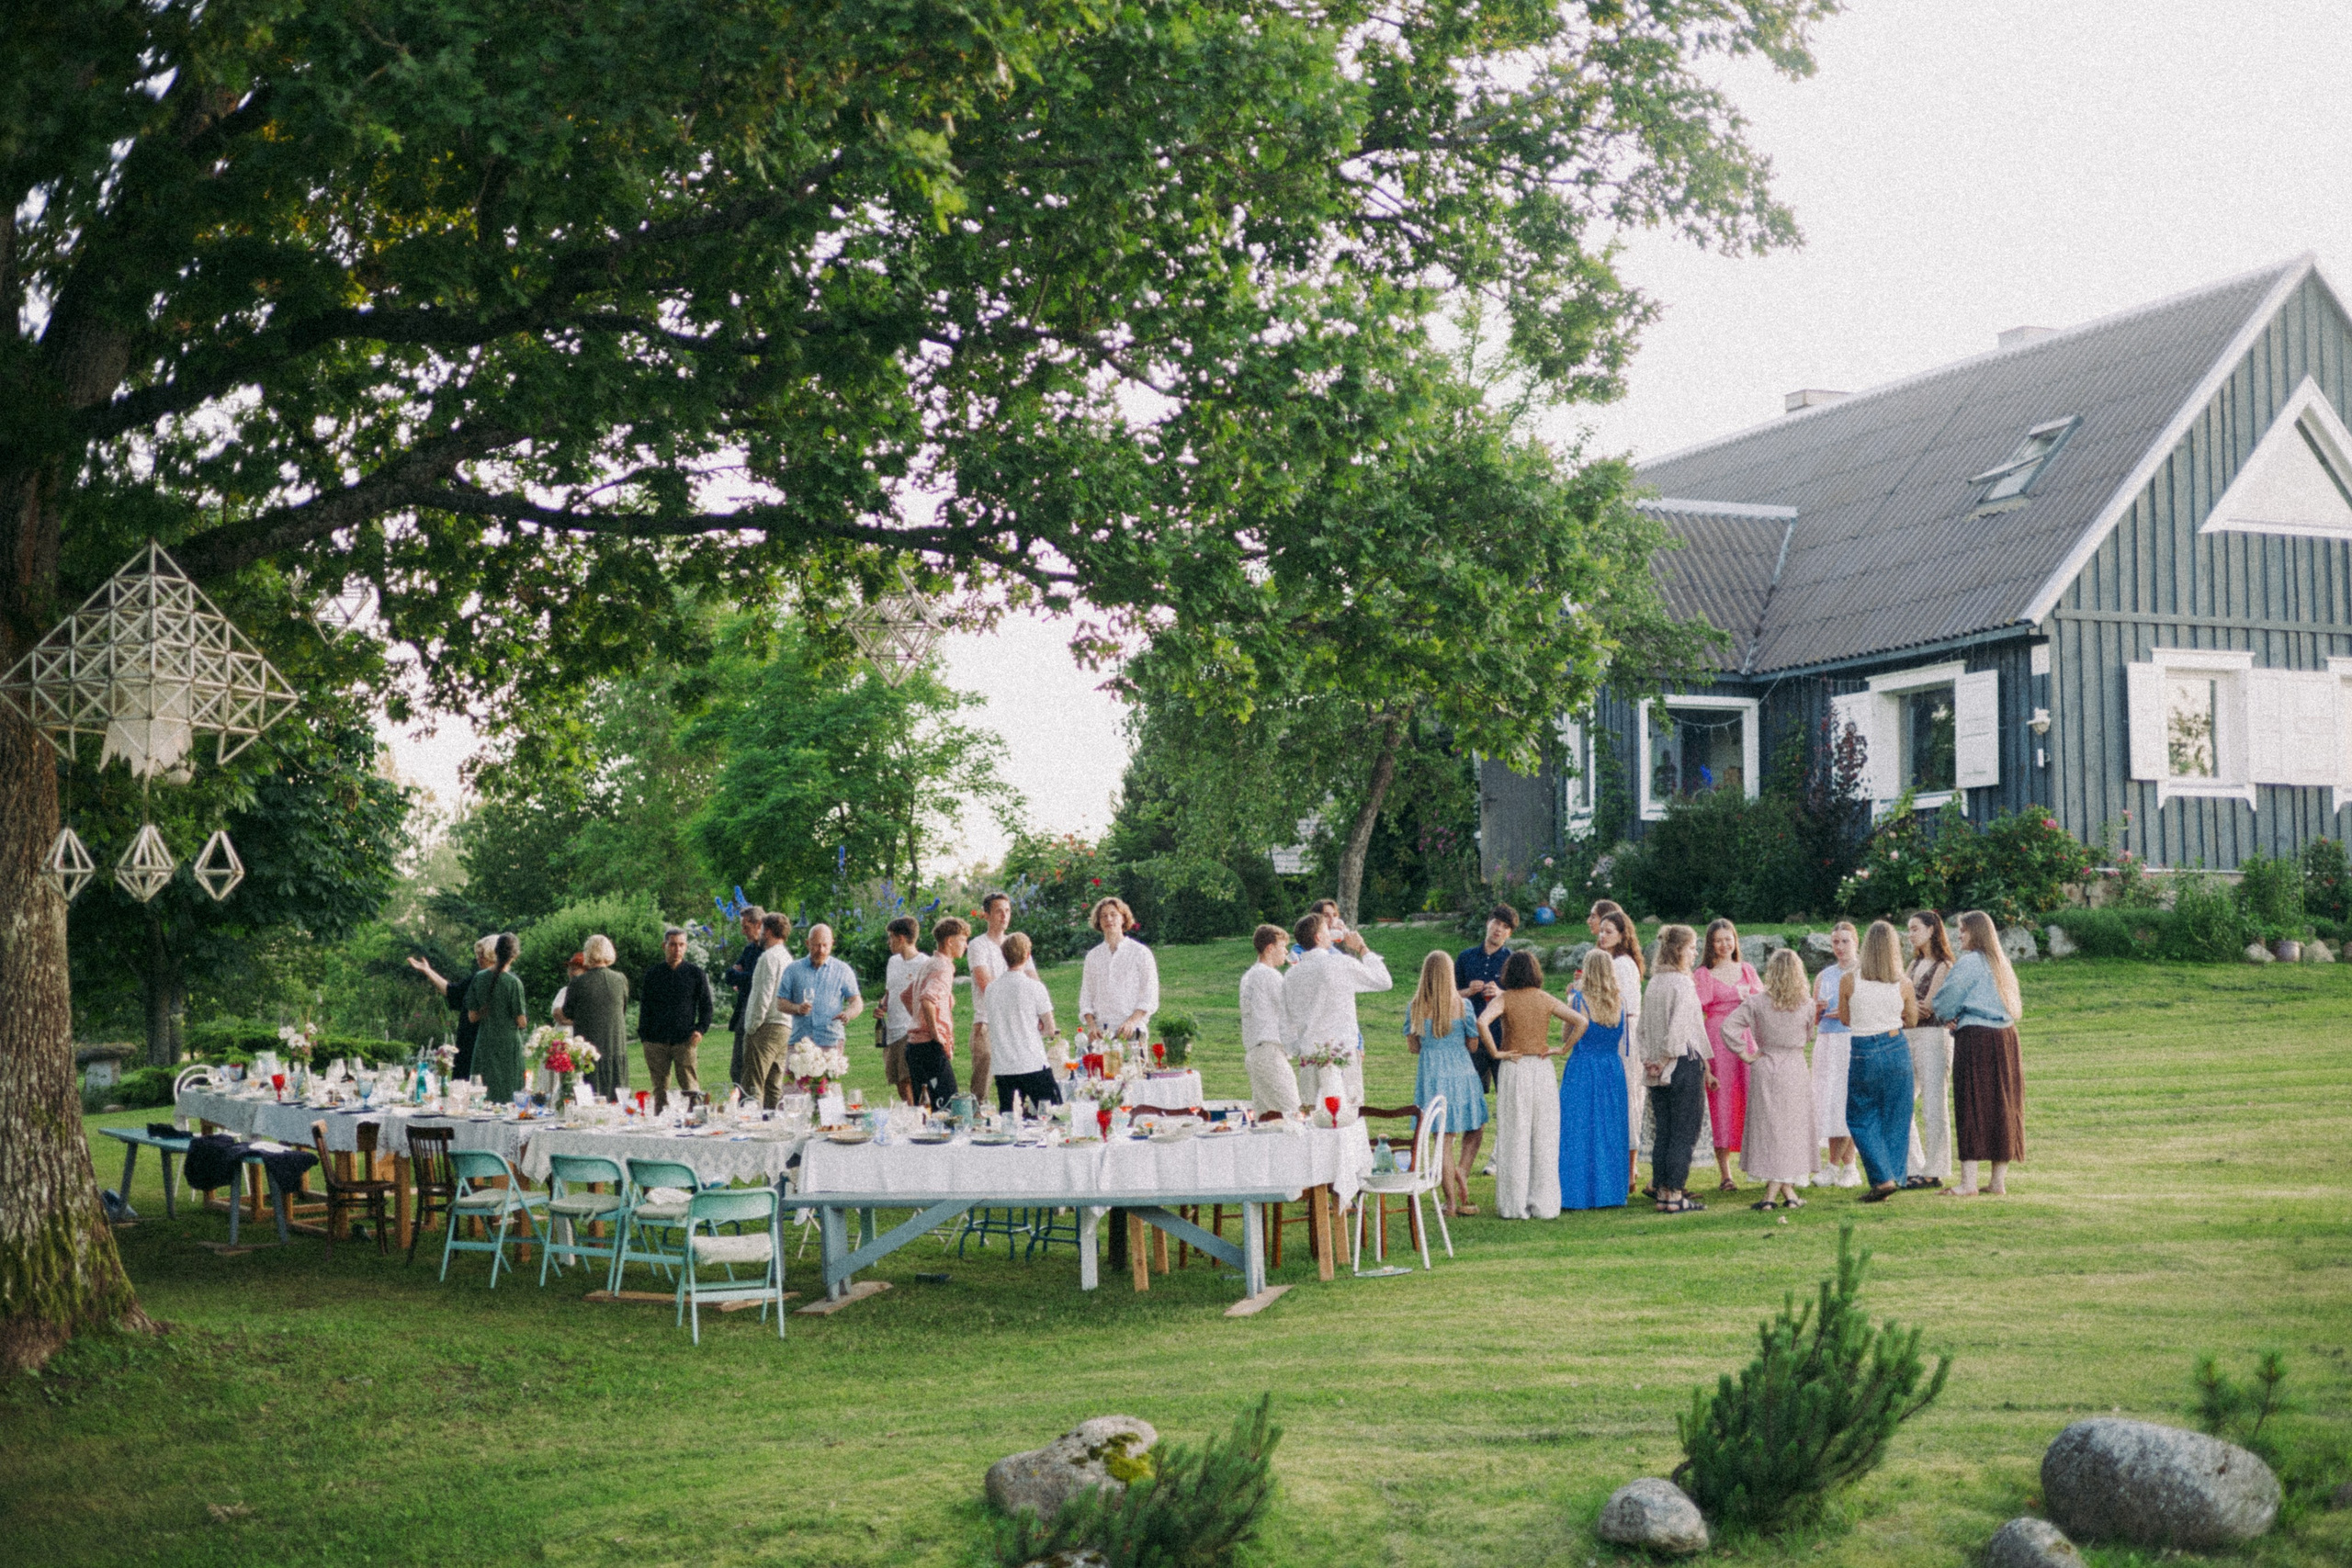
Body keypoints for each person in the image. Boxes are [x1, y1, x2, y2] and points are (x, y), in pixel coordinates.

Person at [1480, 949, 1582, 1220]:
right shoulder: (1545, 998)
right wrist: (1563, 1049)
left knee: (1514, 1135)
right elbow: (1581, 1021)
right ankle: (1545, 1204)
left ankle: (1514, 1205)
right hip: (1542, 1068)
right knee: (1545, 1137)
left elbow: (1482, 1022)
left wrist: (1495, 1052)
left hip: (1514, 1066)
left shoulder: (1505, 999)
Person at [1935, 910, 2026, 1198]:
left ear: (1975, 933)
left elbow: (1947, 999)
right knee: (2005, 1105)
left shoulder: (1970, 963)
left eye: (1963, 930)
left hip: (1976, 1037)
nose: (1959, 936)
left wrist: (1947, 1016)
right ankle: (1998, 1181)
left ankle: (1968, 1183)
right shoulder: (2003, 963)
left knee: (1972, 1102)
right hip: (2007, 1037)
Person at [1720, 948, 1820, 1210]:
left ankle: (1777, 1195)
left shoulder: (1756, 1002)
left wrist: (1745, 1053)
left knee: (1772, 1130)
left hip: (1766, 1065)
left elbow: (1727, 1027)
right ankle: (1783, 1194)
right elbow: (1808, 1036)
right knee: (1790, 1130)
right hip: (1794, 1068)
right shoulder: (1807, 1005)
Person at [1404, 949, 1493, 1215]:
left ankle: (1451, 1202)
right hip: (1462, 1072)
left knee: (1442, 1138)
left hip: (1432, 1073)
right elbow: (1473, 1044)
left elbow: (1413, 1046)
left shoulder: (1416, 1006)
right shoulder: (1463, 1005)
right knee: (1476, 1124)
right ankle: (1460, 1174)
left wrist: (1433, 1047)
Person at [1839, 919, 1920, 1203]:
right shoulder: (1904, 983)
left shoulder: (1850, 980)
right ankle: (1891, 1176)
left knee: (1861, 1116)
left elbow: (1846, 1018)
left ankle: (1882, 1178)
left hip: (1864, 1048)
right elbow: (1912, 1019)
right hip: (1896, 1046)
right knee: (1897, 1116)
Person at [1636, 924, 1713, 1214]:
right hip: (1680, 1063)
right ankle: (1675, 1193)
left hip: (1658, 1067)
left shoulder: (1655, 982)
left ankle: (1663, 1192)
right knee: (1684, 1131)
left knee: (1665, 1131)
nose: (1695, 953)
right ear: (1680, 949)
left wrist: (1650, 1059)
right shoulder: (1682, 984)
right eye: (1693, 947)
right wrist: (1666, 1059)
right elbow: (1679, 1029)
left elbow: (1642, 1029)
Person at [1282, 908, 1391, 1110]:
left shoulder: (1291, 975)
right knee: (1346, 1116)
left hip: (1310, 1058)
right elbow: (1384, 981)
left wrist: (1298, 1049)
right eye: (1326, 929)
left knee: (1313, 1118)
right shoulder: (1339, 963)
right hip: (1342, 1054)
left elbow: (1286, 1022)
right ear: (1318, 936)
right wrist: (1362, 948)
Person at [1557, 948, 1630, 1211]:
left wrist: (1569, 998)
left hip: (1584, 1068)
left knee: (1578, 1128)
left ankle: (1576, 1192)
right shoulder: (1620, 1001)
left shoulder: (1579, 1000)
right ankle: (1610, 1192)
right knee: (1609, 1129)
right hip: (1612, 1068)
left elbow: (1566, 1035)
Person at [1694, 918, 1761, 1193]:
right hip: (1717, 1038)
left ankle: (1758, 1165)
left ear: (1735, 940)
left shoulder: (1747, 970)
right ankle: (1725, 1173)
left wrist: (1750, 999)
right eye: (1718, 940)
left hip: (1746, 1037)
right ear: (1710, 944)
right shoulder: (1704, 974)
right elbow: (1697, 1009)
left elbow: (1763, 1001)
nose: (1724, 944)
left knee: (1751, 1096)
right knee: (1722, 1101)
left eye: (1728, 938)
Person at [976, 931, 1060, 1112]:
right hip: (1033, 1062)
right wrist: (1039, 1027)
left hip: (1004, 1066)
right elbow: (1051, 1029)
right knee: (1053, 1115)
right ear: (1027, 955)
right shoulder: (1035, 987)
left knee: (1010, 1121)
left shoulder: (991, 990)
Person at [777, 923, 865, 1098]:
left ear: (832, 943)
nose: (821, 950)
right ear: (807, 943)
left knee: (828, 1093)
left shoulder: (842, 970)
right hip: (800, 1042)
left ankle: (830, 1124)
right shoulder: (794, 970)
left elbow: (856, 1001)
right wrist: (797, 1008)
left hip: (830, 1040)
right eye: (816, 945)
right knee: (795, 1092)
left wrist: (848, 1014)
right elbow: (780, 1002)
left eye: (825, 945)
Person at [1902, 910, 1957, 1190]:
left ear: (1931, 930)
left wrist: (1908, 1008)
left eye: (1915, 929)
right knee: (1903, 1102)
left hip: (1934, 1037)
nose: (1910, 934)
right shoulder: (1912, 965)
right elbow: (1909, 1004)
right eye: (1909, 930)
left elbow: (1928, 1007)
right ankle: (1913, 1165)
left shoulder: (1944, 965)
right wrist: (1909, 1008)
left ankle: (1935, 1169)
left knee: (1934, 1105)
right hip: (1908, 1036)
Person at [966, 892, 1037, 1106]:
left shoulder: (1017, 943)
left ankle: (1020, 1117)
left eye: (1007, 911)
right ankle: (977, 1119)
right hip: (987, 1021)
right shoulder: (978, 946)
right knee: (982, 1084)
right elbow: (987, 986)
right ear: (986, 915)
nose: (1004, 916)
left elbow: (1034, 982)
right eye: (998, 911)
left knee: (1022, 1075)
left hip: (1019, 1021)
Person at [1594, 909, 1646, 1186]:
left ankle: (1630, 1169)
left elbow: (1621, 1004)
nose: (1602, 936)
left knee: (1628, 1097)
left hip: (1623, 1033)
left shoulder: (1624, 964)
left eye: (1609, 932)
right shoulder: (1607, 961)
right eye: (1601, 931)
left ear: (1623, 935)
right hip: (1610, 1030)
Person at [639, 925, 715, 1113]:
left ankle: (696, 1120)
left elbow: (706, 1005)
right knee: (660, 1089)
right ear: (664, 946)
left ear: (686, 947)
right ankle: (661, 1123)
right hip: (656, 1040)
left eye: (681, 945)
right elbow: (645, 1007)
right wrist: (645, 1037)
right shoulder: (653, 974)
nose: (677, 949)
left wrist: (700, 1029)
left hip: (685, 1039)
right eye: (673, 945)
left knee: (690, 1088)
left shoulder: (695, 974)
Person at [1811, 921, 1864, 1188]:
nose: (1840, 947)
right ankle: (1838, 1166)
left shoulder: (1863, 972)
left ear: (1855, 941)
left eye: (1845, 941)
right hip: (1827, 1041)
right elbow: (1812, 1019)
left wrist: (1847, 1013)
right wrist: (1817, 1010)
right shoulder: (1824, 975)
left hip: (1851, 1040)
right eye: (1835, 942)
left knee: (1847, 1100)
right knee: (1829, 1102)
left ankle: (1847, 1166)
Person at [1453, 903, 1517, 1108]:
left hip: (1503, 1037)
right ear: (1487, 923)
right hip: (1472, 1038)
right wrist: (1467, 992)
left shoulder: (1513, 960)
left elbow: (1525, 998)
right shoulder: (1466, 957)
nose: (1499, 929)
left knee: (1507, 1099)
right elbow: (1449, 996)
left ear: (1509, 933)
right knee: (1472, 1099)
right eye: (1496, 923)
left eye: (1505, 926)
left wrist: (1501, 994)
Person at [901, 917, 967, 1110]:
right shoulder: (944, 968)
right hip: (930, 1046)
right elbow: (927, 1000)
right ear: (949, 941)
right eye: (963, 940)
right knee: (949, 1103)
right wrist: (936, 1034)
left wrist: (918, 1020)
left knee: (924, 1105)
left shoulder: (929, 963)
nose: (966, 945)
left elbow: (906, 996)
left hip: (914, 1047)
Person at [406, 936, 493, 1080]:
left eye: (482, 954)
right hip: (466, 1043)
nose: (478, 958)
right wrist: (428, 971)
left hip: (484, 1045)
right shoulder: (476, 978)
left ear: (493, 955)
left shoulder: (504, 982)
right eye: (477, 954)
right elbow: (452, 992)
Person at [1077, 897, 1159, 1046]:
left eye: (1113, 914)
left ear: (1123, 918)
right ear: (1099, 922)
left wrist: (1131, 1023)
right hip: (1101, 1035)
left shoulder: (1140, 953)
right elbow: (1086, 996)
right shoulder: (1093, 956)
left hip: (1131, 1031)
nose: (1109, 919)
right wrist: (1092, 1026)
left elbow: (1150, 995)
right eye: (1103, 916)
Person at [1239, 924, 1298, 1119]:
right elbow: (1291, 1008)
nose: (1286, 952)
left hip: (1254, 1054)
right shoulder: (1269, 975)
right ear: (1270, 948)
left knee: (1266, 1119)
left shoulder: (1248, 976)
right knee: (1292, 1113)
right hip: (1270, 1053)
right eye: (1283, 947)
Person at [738, 912, 796, 1107]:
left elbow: (763, 994)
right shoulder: (788, 958)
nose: (760, 934)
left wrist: (752, 1026)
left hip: (767, 1025)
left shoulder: (768, 958)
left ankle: (751, 1128)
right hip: (785, 1026)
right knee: (774, 1084)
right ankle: (774, 1125)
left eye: (762, 929)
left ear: (768, 931)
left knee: (752, 1085)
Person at [463, 933, 528, 1103]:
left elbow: (472, 1017)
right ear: (515, 955)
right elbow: (520, 1021)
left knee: (483, 1094)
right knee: (510, 1093)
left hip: (485, 1041)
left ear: (496, 952)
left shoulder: (479, 978)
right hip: (508, 1045)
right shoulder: (514, 983)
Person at [566, 934, 631, 1101]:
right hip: (614, 1042)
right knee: (617, 1092)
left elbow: (568, 1012)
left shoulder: (578, 983)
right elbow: (622, 1007)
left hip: (588, 1045)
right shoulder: (620, 979)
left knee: (589, 1094)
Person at [720, 905, 767, 1088]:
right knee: (737, 1068)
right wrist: (741, 976)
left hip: (759, 1015)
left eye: (746, 927)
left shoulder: (767, 952)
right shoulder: (749, 950)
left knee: (753, 1068)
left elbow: (756, 979)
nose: (743, 932)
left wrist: (740, 977)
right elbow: (728, 975)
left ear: (759, 925)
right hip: (743, 1012)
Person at [879, 915, 922, 1105]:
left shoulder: (924, 964)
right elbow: (889, 992)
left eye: (891, 937)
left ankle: (919, 1121)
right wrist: (882, 1006)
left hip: (910, 1030)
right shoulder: (893, 962)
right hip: (891, 1032)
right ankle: (912, 1118)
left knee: (909, 1081)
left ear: (901, 938)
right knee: (899, 1084)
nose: (889, 942)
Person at [550, 952, 587, 1024]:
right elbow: (556, 1012)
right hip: (563, 1034)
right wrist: (576, 1022)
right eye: (569, 969)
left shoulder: (591, 991)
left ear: (586, 971)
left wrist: (568, 1020)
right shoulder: (564, 990)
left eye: (574, 969)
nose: (570, 972)